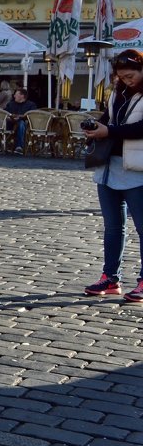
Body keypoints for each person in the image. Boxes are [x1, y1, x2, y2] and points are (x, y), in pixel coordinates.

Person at [84, 49, 143, 302]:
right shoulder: (117, 93)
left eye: (130, 76)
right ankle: (110, 278)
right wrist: (96, 126)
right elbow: (109, 119)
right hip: (109, 167)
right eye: (122, 77)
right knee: (112, 227)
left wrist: (109, 132)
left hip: (138, 170)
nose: (127, 80)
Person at [4, 88, 37, 154]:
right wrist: (10, 118)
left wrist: (19, 117)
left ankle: (19, 146)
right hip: (11, 122)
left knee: (21, 124)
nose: (14, 96)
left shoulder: (30, 105)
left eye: (16, 94)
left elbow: (33, 115)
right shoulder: (10, 104)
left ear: (22, 96)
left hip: (25, 124)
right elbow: (4, 113)